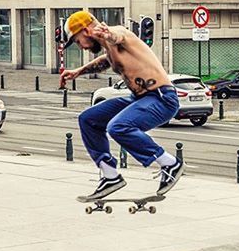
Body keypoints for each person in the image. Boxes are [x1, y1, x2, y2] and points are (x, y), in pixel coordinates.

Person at [59, 11, 183, 200]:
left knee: (118, 127)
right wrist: (78, 72)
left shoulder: (116, 33)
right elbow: (104, 62)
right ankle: (110, 175)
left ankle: (170, 163)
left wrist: (108, 34)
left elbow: (119, 35)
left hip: (162, 98)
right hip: (140, 99)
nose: (81, 47)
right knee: (88, 119)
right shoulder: (108, 48)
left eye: (78, 41)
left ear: (86, 31)